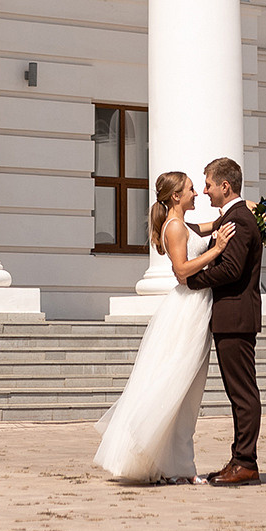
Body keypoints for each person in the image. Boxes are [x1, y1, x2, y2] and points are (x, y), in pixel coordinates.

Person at [91, 170, 235, 485]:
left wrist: (249, 207)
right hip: (187, 310)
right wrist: (217, 250)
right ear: (176, 196)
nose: (197, 193)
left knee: (186, 390)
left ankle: (177, 465)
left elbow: (213, 226)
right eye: (192, 189)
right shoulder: (174, 228)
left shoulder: (184, 225)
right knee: (178, 386)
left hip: (196, 308)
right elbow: (182, 271)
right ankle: (175, 467)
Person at [190, 156, 263, 484]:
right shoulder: (231, 217)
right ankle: (239, 459)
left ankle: (246, 462)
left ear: (225, 185)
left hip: (236, 316)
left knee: (242, 393)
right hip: (230, 316)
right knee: (238, 393)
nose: (204, 190)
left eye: (208, 184)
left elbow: (232, 269)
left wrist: (194, 280)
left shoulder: (240, 220)